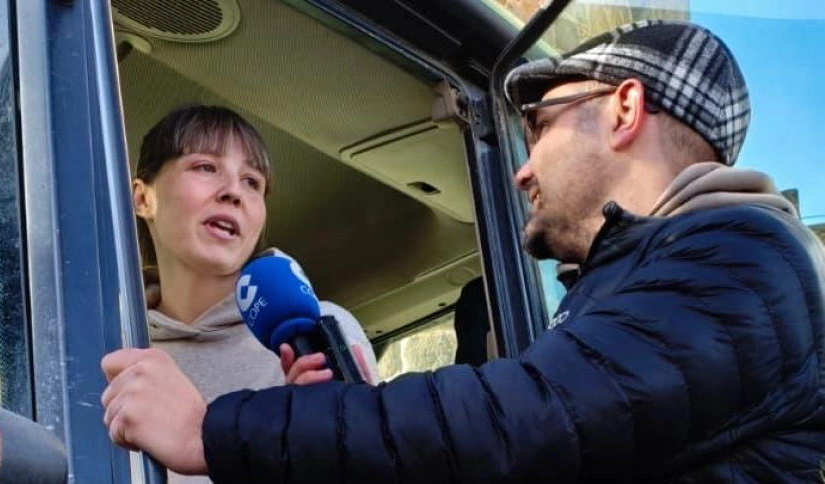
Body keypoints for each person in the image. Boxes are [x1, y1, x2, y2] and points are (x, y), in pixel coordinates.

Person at [101, 21, 825, 482]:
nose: (521, 165)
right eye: (203, 170)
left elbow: (514, 423)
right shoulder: (657, 282)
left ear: (625, 110)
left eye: (537, 123)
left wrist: (213, 431)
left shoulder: (742, 262)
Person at [129, 105, 379, 483]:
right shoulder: (114, 353)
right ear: (142, 198)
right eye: (205, 167)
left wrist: (304, 449)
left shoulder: (317, 332)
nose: (233, 192)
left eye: (252, 181)